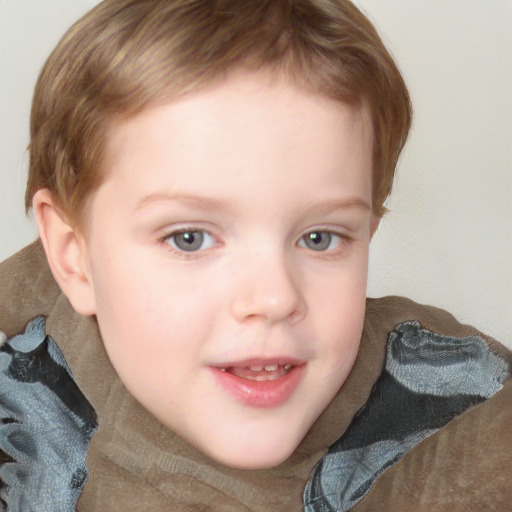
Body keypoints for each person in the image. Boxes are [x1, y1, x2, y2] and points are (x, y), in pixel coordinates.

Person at [0, 0, 510, 510]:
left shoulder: (466, 408)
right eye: (189, 238)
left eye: (320, 238)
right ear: (73, 257)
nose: (273, 298)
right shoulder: (18, 371)